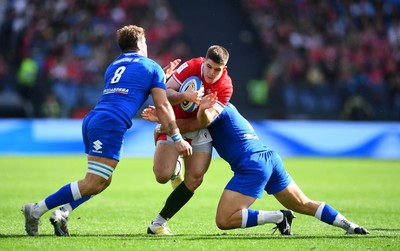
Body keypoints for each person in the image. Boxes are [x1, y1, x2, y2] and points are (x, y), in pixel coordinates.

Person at [21, 25, 192, 237]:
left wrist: (158, 77)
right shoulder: (151, 66)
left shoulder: (113, 65)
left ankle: (63, 212)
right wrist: (177, 138)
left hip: (94, 119)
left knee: (103, 180)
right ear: (140, 44)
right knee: (93, 181)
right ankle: (36, 209)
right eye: (145, 43)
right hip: (111, 123)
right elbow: (163, 105)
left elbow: (131, 86)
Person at [141, 93, 369, 235]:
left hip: (252, 164)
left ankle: (279, 216)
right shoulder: (229, 109)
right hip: (270, 157)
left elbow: (193, 125)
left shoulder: (215, 109)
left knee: (224, 220)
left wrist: (162, 121)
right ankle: (348, 225)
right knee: (305, 203)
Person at [145, 45, 233, 235]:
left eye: (217, 70)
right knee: (162, 176)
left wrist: (202, 109)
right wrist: (185, 96)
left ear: (224, 69)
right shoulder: (191, 66)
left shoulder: (225, 86)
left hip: (198, 131)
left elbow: (203, 123)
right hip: (174, 126)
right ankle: (175, 170)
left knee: (195, 178)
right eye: (209, 67)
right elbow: (165, 93)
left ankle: (158, 223)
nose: (211, 73)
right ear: (204, 61)